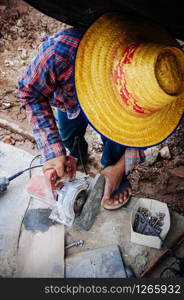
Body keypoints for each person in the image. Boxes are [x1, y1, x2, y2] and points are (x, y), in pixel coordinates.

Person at [17, 12, 184, 210]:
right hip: (68, 102)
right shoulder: (59, 52)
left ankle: (113, 177)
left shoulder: (171, 87)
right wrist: (53, 151)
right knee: (69, 136)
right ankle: (77, 156)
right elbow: (30, 93)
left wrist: (119, 168)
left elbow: (145, 138)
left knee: (118, 147)